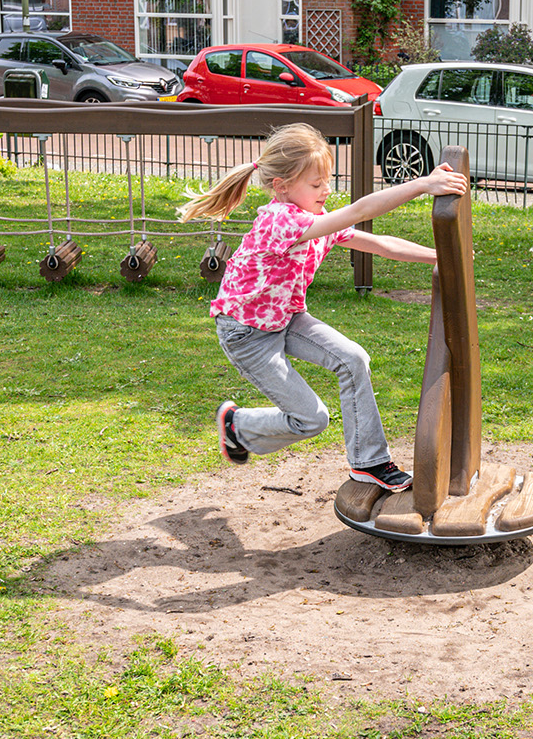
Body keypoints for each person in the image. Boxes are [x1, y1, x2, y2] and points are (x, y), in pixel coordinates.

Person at [182, 123, 467, 492]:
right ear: (282, 186)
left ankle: (370, 463)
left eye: (327, 181)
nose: (326, 191)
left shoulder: (315, 220)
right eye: (316, 185)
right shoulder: (280, 220)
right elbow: (361, 209)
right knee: (311, 420)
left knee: (353, 359)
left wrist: (446, 255)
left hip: (286, 318)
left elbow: (381, 244)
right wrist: (421, 184)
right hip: (246, 333)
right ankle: (238, 425)